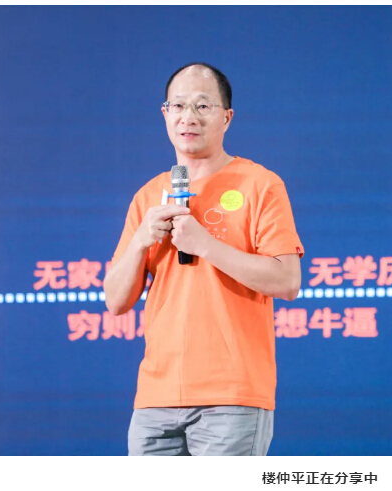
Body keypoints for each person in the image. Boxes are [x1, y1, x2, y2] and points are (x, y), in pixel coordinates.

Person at [103, 62, 304, 456]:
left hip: (231, 397)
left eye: (202, 106)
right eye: (178, 106)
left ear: (226, 117)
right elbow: (115, 300)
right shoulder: (149, 196)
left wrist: (205, 245)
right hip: (156, 399)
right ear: (165, 114)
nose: (188, 117)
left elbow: (287, 281)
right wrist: (141, 240)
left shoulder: (260, 184)